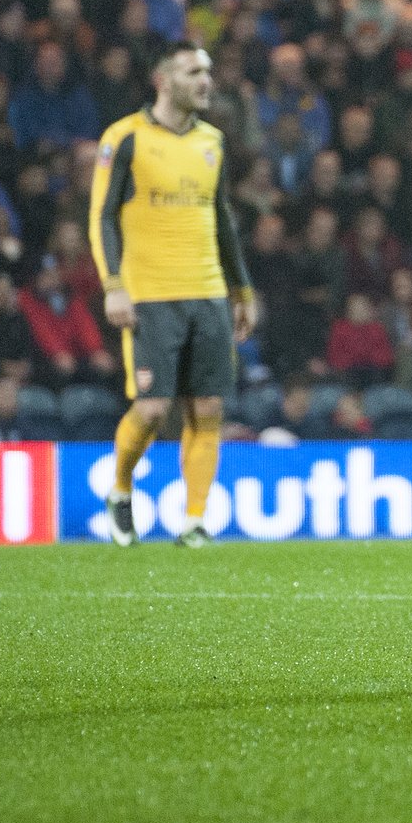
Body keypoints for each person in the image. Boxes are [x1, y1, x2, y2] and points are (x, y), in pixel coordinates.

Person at [89, 43, 256, 548]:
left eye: (207, 70)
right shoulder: (125, 139)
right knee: (153, 410)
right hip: (150, 296)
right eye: (193, 71)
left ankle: (195, 521)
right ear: (163, 80)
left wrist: (241, 287)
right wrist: (113, 286)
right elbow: (102, 216)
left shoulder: (214, 142)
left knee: (207, 409)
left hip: (207, 292)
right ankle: (120, 491)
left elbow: (221, 219)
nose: (206, 80)